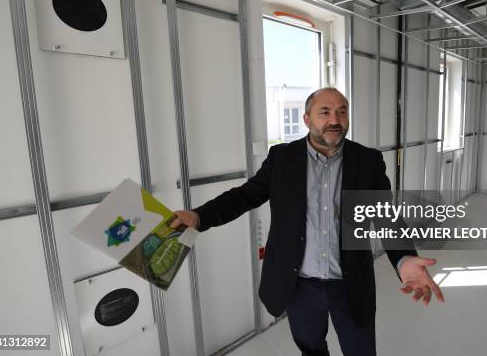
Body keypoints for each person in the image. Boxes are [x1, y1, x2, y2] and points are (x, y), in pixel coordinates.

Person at [171, 87, 444, 356]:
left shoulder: (367, 161)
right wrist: (199, 215)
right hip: (299, 286)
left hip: (350, 284)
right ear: (307, 119)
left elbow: (385, 214)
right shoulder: (282, 159)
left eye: (341, 112)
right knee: (311, 350)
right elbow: (244, 196)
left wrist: (403, 257)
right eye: (324, 112)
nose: (334, 120)